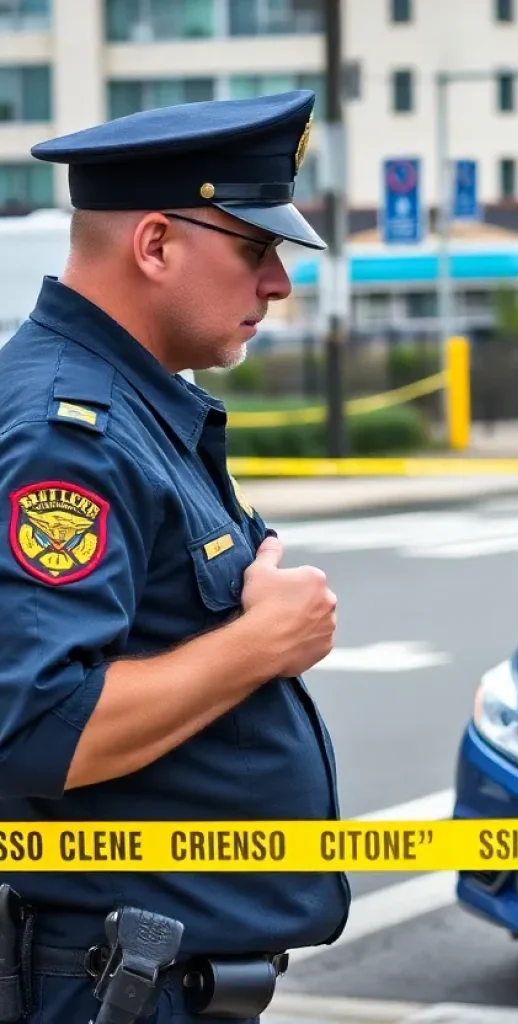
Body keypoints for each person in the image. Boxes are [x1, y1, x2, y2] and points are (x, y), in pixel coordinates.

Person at [0, 90, 349, 1023]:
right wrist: (260, 643)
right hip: (107, 986)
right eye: (255, 249)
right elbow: (37, 733)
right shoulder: (70, 433)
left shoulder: (127, 405)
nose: (278, 283)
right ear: (155, 245)